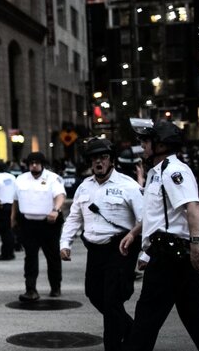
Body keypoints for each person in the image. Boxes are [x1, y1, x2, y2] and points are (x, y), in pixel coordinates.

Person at [119, 118, 199, 351]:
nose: (142, 145)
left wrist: (196, 245)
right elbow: (156, 214)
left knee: (146, 318)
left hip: (171, 256)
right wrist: (136, 234)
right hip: (166, 252)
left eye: (146, 141)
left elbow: (193, 207)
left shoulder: (174, 171)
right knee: (194, 316)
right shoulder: (156, 172)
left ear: (161, 144)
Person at [60, 138, 143, 351]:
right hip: (95, 250)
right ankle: (132, 331)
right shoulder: (83, 187)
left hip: (120, 248)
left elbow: (145, 220)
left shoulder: (128, 185)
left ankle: (113, 346)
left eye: (103, 157)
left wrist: (145, 253)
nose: (99, 162)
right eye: (94, 158)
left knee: (111, 299)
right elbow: (74, 217)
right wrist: (65, 242)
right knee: (94, 294)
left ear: (111, 160)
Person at [11, 151, 67, 301]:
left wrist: (56, 210)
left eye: (37, 163)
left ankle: (55, 287)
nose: (34, 166)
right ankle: (31, 290)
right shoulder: (21, 179)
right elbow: (15, 201)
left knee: (53, 256)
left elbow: (60, 196)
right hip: (28, 223)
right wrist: (13, 218)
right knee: (30, 257)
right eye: (31, 163)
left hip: (49, 224)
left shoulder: (53, 178)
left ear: (42, 164)